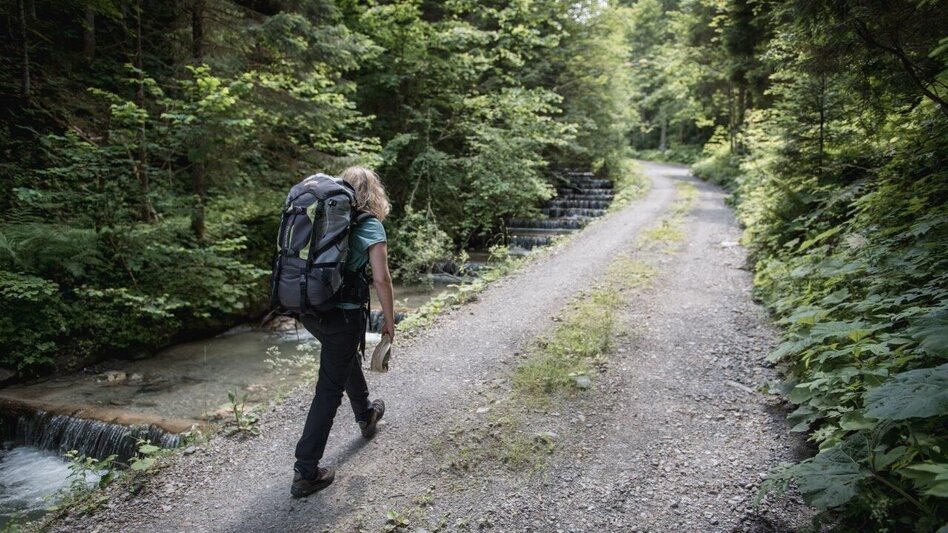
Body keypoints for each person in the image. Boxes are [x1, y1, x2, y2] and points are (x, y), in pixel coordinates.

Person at [291, 166, 396, 498]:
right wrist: (389, 320)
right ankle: (306, 471)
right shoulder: (369, 225)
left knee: (342, 356)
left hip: (310, 310)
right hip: (343, 316)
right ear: (375, 194)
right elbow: (381, 278)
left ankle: (366, 413)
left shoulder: (322, 219)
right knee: (328, 391)